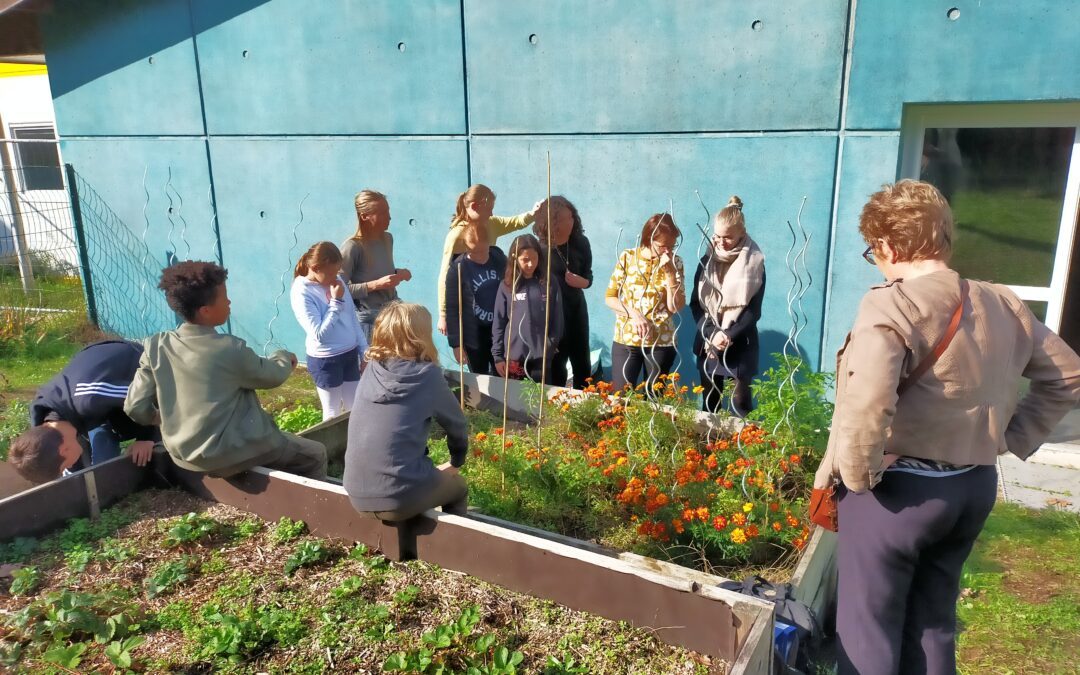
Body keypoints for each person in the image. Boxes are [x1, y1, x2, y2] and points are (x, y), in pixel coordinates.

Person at [814, 180, 1080, 675]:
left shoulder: (891, 305)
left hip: (899, 493)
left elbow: (868, 404)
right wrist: (1010, 438)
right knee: (933, 622)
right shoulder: (1002, 302)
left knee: (867, 629)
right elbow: (1068, 373)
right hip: (971, 488)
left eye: (873, 251)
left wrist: (856, 481)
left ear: (888, 246)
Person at [125, 261, 328, 480]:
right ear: (205, 310)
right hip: (230, 453)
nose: (229, 302)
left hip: (183, 456)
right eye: (224, 297)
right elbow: (272, 375)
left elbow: (135, 406)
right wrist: (284, 357)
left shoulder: (156, 345)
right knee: (315, 454)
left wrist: (159, 418)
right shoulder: (229, 349)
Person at [344, 302, 469, 520]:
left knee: (411, 482)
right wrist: (456, 461)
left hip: (355, 491)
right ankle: (448, 548)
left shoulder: (372, 368)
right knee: (458, 487)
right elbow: (457, 425)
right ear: (421, 336)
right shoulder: (427, 375)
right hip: (397, 495)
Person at [8, 341, 158, 484]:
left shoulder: (91, 397)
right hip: (99, 402)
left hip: (133, 363)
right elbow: (68, 463)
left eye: (62, 468)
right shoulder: (43, 426)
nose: (65, 469)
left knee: (136, 442)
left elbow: (146, 396)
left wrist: (146, 437)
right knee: (102, 465)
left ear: (64, 449)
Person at [690, 196, 766, 416]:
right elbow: (696, 304)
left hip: (740, 345)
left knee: (740, 409)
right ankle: (709, 449)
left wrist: (728, 334)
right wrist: (712, 333)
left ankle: (742, 450)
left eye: (728, 238)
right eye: (717, 236)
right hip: (709, 345)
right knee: (709, 407)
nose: (721, 243)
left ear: (742, 234)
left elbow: (753, 310)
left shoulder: (755, 263)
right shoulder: (706, 262)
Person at [436, 184, 539, 336]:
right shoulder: (457, 235)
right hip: (470, 307)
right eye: (489, 208)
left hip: (491, 301)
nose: (492, 213)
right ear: (474, 206)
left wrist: (533, 214)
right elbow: (446, 275)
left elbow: (515, 222)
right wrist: (443, 315)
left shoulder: (491, 223)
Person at [604, 213, 685, 392]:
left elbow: (676, 307)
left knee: (654, 398)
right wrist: (633, 313)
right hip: (627, 339)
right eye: (663, 246)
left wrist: (671, 273)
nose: (668, 251)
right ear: (649, 239)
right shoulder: (627, 257)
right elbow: (610, 297)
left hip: (661, 341)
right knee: (621, 395)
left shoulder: (676, 262)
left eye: (672, 246)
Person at [290, 241, 368, 421]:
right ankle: (334, 449)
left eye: (338, 272)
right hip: (326, 360)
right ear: (315, 268)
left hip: (349, 354)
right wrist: (336, 303)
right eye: (331, 272)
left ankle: (353, 448)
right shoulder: (301, 291)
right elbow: (319, 335)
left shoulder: (338, 281)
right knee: (332, 414)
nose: (336, 277)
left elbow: (351, 319)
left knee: (355, 409)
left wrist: (364, 351)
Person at [533, 196, 594, 389]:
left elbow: (588, 277)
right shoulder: (540, 250)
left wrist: (582, 282)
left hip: (576, 311)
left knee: (582, 365)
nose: (572, 221)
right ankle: (557, 410)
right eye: (567, 218)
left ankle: (584, 408)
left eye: (572, 217)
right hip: (552, 316)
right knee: (557, 366)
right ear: (554, 221)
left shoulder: (581, 243)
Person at [491, 234, 564, 384]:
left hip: (541, 355)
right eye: (525, 260)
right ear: (515, 259)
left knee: (539, 400)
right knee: (515, 401)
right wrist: (498, 356)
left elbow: (557, 318)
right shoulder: (507, 285)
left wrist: (550, 345)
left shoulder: (548, 282)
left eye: (534, 259)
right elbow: (499, 322)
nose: (530, 264)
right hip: (514, 356)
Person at [340, 190, 412, 341]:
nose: (390, 217)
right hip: (368, 321)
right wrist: (375, 285)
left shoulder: (387, 238)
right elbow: (338, 289)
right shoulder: (352, 247)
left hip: (393, 314)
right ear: (365, 216)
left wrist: (398, 273)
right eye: (383, 213)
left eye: (388, 211)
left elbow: (375, 271)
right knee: (372, 364)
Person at [445, 224, 507, 376]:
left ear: (489, 244)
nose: (480, 257)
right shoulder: (457, 269)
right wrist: (456, 345)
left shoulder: (498, 257)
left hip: (500, 330)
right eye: (474, 252)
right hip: (474, 335)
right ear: (466, 247)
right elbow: (452, 308)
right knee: (480, 378)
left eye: (483, 251)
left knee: (504, 374)